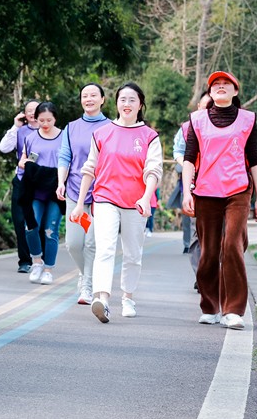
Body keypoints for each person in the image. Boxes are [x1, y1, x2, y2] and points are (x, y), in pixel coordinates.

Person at [71, 83, 162, 323]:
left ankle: (128, 297)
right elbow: (90, 168)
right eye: (123, 99)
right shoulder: (102, 133)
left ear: (140, 105)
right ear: (116, 103)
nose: (127, 104)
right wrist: (79, 203)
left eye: (132, 100)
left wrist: (146, 197)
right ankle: (102, 299)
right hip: (105, 198)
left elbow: (153, 170)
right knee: (105, 248)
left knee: (133, 254)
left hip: (136, 202)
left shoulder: (149, 136)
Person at [182, 71, 257, 331]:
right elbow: (189, 158)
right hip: (206, 191)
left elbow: (255, 159)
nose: (220, 86)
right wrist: (187, 192)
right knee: (208, 251)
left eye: (225, 84)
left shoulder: (248, 120)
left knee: (231, 245)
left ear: (235, 91)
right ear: (210, 92)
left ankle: (233, 310)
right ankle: (210, 306)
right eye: (215, 84)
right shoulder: (197, 120)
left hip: (238, 190)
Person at [56, 83, 109, 304]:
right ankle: (84, 273)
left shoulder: (111, 127)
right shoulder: (71, 127)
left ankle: (87, 286)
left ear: (102, 99)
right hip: (75, 192)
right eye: (85, 95)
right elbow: (64, 157)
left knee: (91, 243)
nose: (89, 99)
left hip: (101, 194)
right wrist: (61, 182)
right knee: (74, 243)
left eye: (93, 95)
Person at [19, 102, 64, 285]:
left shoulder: (64, 137)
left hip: (56, 189)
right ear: (36, 119)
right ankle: (37, 261)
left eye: (49, 120)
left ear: (55, 119)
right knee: (30, 225)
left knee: (50, 230)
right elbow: (23, 159)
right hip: (35, 189)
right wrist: (27, 164)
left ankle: (48, 270)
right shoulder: (31, 138)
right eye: (41, 120)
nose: (45, 124)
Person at [0, 100, 40, 273]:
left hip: (42, 182)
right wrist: (15, 126)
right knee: (19, 219)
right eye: (29, 110)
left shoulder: (50, 130)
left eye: (36, 110)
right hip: (22, 180)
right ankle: (25, 260)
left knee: (38, 219)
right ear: (24, 114)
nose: (32, 113)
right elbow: (4, 148)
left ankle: (40, 257)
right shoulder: (20, 131)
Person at [173, 94, 212, 259]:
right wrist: (188, 166)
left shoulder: (223, 127)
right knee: (189, 217)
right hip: (191, 181)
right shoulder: (187, 127)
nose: (207, 111)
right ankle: (188, 244)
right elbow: (178, 151)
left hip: (215, 182)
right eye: (205, 107)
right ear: (198, 106)